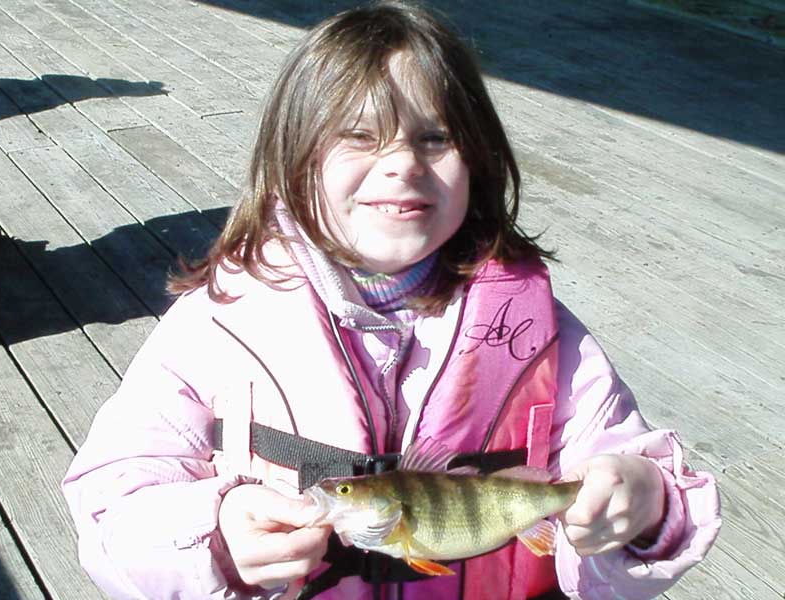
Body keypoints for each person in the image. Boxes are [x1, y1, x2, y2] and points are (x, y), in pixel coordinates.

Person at [62, 2, 721, 599]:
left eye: (434, 139)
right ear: (293, 161)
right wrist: (212, 535)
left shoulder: (545, 334)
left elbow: (627, 472)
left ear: (480, 160)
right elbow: (113, 498)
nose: (403, 163)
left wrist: (646, 500)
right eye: (358, 135)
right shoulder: (218, 320)